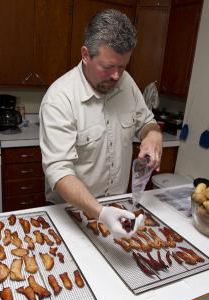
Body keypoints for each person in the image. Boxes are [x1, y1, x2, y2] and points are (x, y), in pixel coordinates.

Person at [39, 9, 163, 237]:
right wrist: (100, 212)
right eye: (108, 67)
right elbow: (59, 171)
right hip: (70, 212)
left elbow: (147, 122)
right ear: (86, 55)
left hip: (117, 206)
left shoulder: (126, 83)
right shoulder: (59, 98)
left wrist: (153, 135)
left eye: (123, 67)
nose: (117, 76)